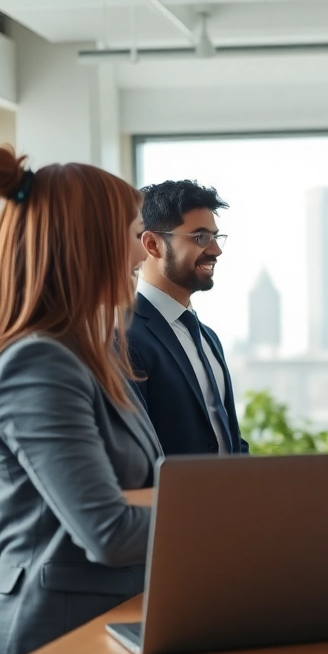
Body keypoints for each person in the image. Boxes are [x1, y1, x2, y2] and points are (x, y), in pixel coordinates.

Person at [0, 146, 160, 654]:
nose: (143, 254)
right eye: (133, 235)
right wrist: (235, 518)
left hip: (112, 618)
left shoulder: (87, 355)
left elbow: (145, 491)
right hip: (51, 645)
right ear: (88, 245)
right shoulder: (36, 364)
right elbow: (108, 531)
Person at [127, 179, 247, 456]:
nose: (216, 250)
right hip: (170, 499)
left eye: (216, 237)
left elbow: (229, 441)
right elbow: (137, 453)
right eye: (200, 237)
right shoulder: (125, 335)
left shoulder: (208, 337)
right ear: (153, 245)